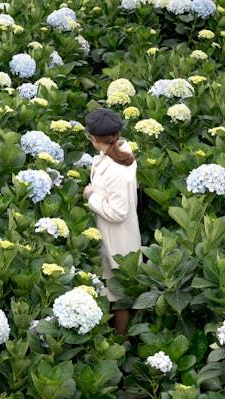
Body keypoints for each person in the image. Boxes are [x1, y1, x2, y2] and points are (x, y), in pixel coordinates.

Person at [82, 108, 141, 337]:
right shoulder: (117, 153)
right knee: (115, 292)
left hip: (117, 239)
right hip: (111, 235)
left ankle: (122, 343)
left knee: (119, 296)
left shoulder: (117, 168)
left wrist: (91, 196)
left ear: (93, 137)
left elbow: (118, 212)